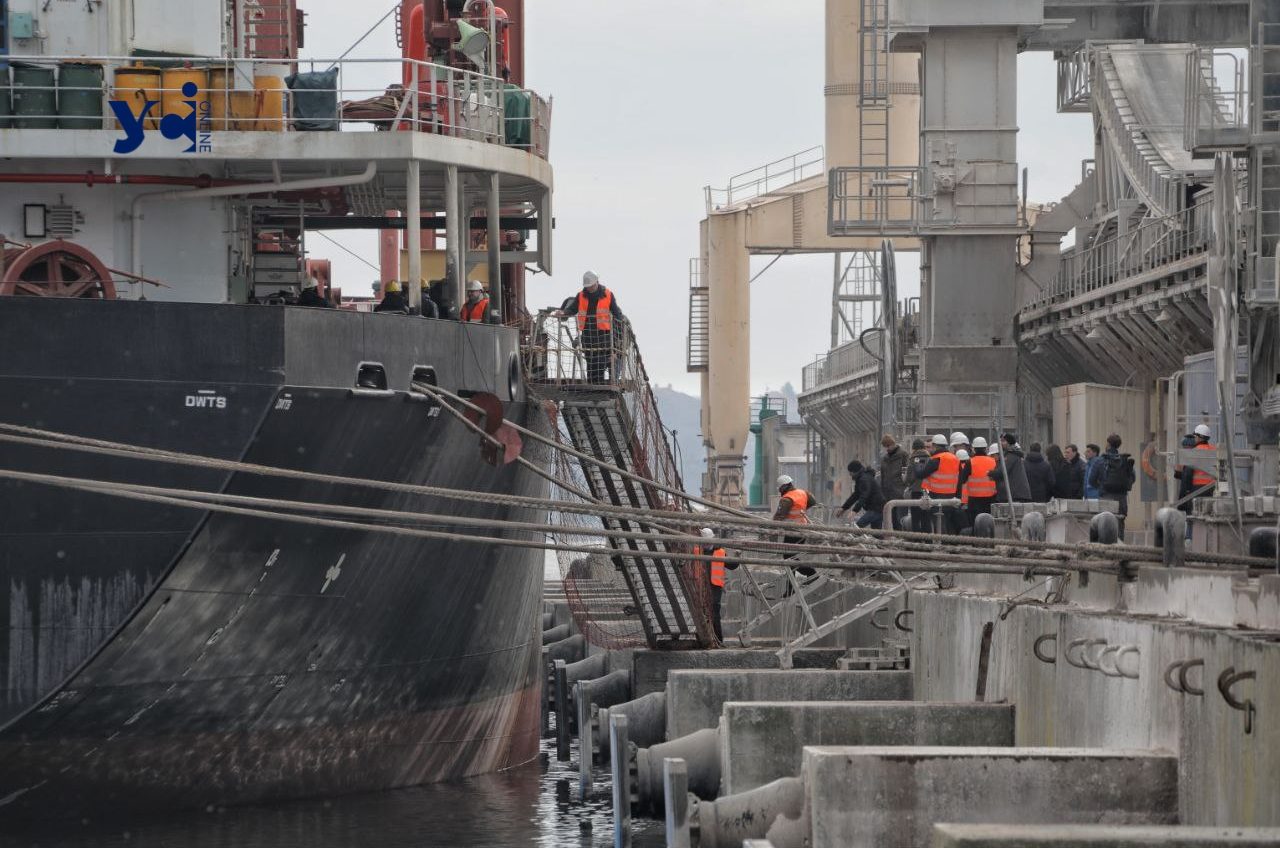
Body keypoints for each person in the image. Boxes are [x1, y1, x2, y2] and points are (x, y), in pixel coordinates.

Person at [554, 271, 625, 384]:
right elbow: (572, 309)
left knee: (599, 365)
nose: (589, 289)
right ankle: (592, 387)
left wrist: (618, 340)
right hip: (588, 337)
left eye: (591, 286)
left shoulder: (608, 295)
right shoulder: (581, 296)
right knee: (591, 366)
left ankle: (599, 389)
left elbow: (617, 315)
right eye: (587, 287)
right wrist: (563, 313)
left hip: (604, 338)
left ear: (597, 282)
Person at [1088, 433, 1136, 536]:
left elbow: (1091, 480)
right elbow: (1133, 478)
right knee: (1120, 526)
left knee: (1104, 526)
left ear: (1108, 444)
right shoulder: (1124, 461)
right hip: (1122, 499)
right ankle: (1120, 549)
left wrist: (1101, 486)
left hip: (1105, 497)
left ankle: (1105, 551)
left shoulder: (1099, 461)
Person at [918, 434, 960, 534]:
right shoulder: (955, 458)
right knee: (949, 522)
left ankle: (941, 544)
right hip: (951, 496)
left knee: (939, 523)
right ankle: (950, 545)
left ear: (935, 446)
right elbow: (960, 478)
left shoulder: (936, 459)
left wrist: (918, 465)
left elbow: (921, 474)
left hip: (936, 496)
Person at [773, 474, 816, 557]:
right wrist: (802, 509)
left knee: (789, 556)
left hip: (792, 530)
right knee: (792, 557)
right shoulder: (803, 492)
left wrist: (770, 526)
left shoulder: (786, 499)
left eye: (780, 489)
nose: (779, 491)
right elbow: (813, 501)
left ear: (783, 487)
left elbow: (779, 516)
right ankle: (802, 570)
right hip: (803, 527)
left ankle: (809, 571)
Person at [837, 460, 886, 529]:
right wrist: (844, 508)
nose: (850, 474)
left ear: (855, 471)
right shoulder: (861, 478)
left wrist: (854, 511)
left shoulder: (864, 479)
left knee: (857, 528)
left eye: (850, 472)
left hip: (876, 508)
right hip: (877, 508)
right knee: (876, 534)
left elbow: (864, 496)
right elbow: (855, 495)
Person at [960, 436, 998, 523]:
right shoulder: (993, 461)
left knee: (975, 523)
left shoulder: (970, 462)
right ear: (985, 448)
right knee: (990, 523)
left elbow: (963, 479)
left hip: (974, 499)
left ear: (974, 449)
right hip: (991, 498)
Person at [698, 528, 726, 642]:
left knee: (714, 613)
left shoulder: (720, 552)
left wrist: (737, 558)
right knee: (701, 613)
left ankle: (718, 639)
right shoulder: (697, 551)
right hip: (700, 587)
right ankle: (704, 638)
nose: (706, 544)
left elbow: (731, 565)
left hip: (715, 587)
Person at [990, 433, 1032, 503]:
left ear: (1009, 443)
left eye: (1003, 441)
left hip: (1014, 495)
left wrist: (990, 473)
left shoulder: (1011, 456)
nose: (1001, 443)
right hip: (1014, 494)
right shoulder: (1011, 455)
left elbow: (1002, 471)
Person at [878, 434, 908, 530]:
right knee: (891, 518)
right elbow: (883, 476)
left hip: (900, 491)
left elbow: (907, 472)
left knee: (900, 518)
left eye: (888, 446)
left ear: (893, 444)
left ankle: (901, 536)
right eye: (885, 447)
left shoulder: (903, 455)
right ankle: (893, 537)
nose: (887, 449)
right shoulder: (884, 459)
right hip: (887, 493)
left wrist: (904, 487)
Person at [907, 438, 932, 534]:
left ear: (914, 448)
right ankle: (928, 542)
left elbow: (909, 478)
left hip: (916, 491)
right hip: (927, 491)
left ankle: (916, 541)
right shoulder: (930, 458)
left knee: (915, 518)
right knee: (926, 518)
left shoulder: (913, 459)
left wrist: (908, 482)